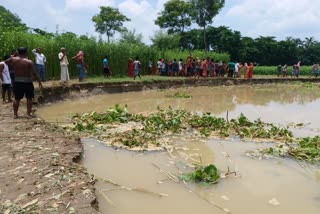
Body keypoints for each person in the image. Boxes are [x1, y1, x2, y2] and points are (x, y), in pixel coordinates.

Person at [5, 47, 43, 119]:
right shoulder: (29, 62)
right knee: (29, 98)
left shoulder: (13, 59)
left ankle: (15, 115)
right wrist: (39, 81)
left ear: (18, 52)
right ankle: (28, 114)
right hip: (27, 81)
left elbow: (6, 61)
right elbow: (34, 73)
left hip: (17, 81)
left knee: (17, 99)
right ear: (26, 53)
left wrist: (14, 55)